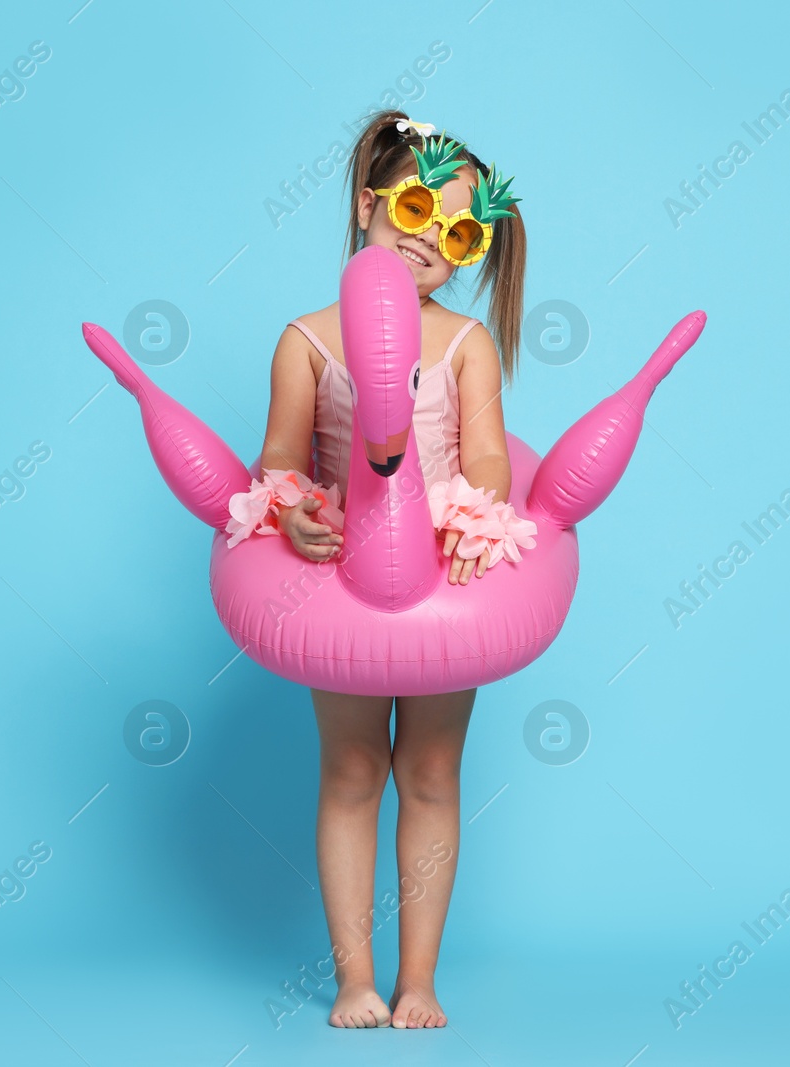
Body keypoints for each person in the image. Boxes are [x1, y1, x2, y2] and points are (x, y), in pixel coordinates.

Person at [253, 110, 527, 1029]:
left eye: (459, 232)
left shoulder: (464, 342)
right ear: (371, 203)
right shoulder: (308, 339)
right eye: (415, 207)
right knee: (353, 767)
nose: (429, 240)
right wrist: (291, 513)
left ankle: (419, 979)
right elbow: (280, 461)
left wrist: (472, 516)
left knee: (434, 770)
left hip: (443, 582)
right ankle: (355, 979)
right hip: (346, 588)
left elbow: (489, 457)